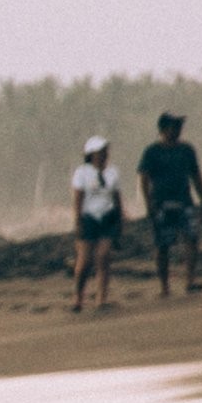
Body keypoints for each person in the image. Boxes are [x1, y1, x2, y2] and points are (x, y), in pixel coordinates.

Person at [139, 106, 202, 300]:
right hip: (161, 203)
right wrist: (148, 204)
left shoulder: (187, 150)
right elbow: (143, 178)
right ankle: (164, 285)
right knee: (163, 245)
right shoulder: (152, 152)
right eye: (173, 126)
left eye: (179, 126)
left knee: (191, 239)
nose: (177, 130)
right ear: (162, 128)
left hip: (185, 201)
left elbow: (196, 176)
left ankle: (190, 280)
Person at [68, 133, 125, 312]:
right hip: (89, 217)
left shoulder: (112, 172)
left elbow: (116, 197)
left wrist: (120, 218)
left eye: (105, 151)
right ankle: (78, 297)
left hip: (107, 216)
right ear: (91, 153)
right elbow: (78, 198)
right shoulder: (82, 172)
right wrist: (77, 221)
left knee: (104, 256)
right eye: (100, 151)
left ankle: (101, 298)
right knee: (84, 261)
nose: (104, 154)